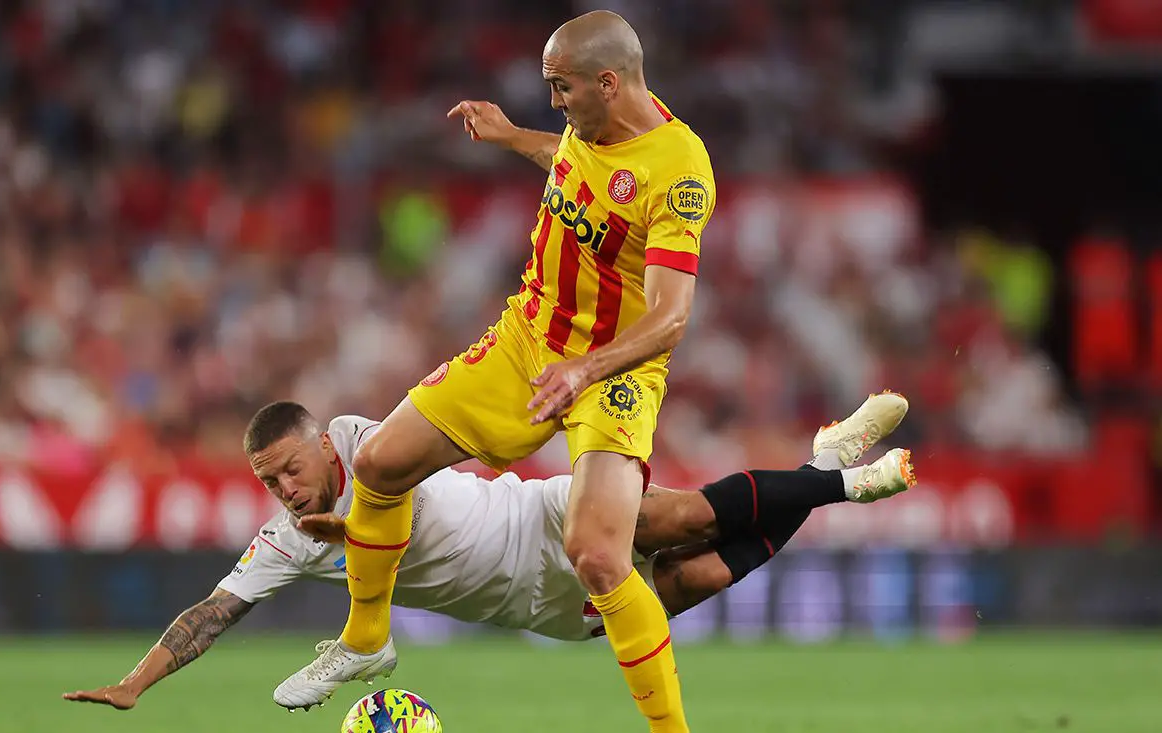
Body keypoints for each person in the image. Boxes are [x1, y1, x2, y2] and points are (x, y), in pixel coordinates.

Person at [292, 11, 719, 731]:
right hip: (527, 340)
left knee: (597, 554)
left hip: (613, 373)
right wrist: (512, 136)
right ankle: (366, 638)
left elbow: (671, 315)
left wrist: (587, 369)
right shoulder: (595, 131)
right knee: (380, 462)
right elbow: (578, 163)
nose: (555, 101)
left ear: (607, 83)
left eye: (561, 87)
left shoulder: (678, 173)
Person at [61, 393, 915, 712]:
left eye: (288, 469)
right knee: (708, 573)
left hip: (536, 519)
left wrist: (347, 535)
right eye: (266, 481)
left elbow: (380, 516)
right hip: (534, 606)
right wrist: (135, 684)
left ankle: (842, 483)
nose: (283, 491)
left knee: (685, 517)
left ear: (321, 446)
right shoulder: (288, 537)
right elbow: (214, 610)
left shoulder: (364, 441)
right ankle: (824, 463)